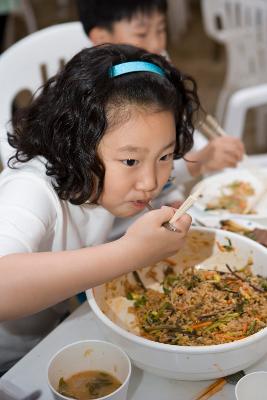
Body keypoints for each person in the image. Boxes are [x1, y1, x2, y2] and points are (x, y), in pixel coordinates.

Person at [0, 44, 197, 373]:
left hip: (65, 330)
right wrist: (132, 252)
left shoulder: (109, 184)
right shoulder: (29, 189)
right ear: (77, 144)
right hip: (15, 365)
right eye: (131, 160)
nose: (150, 181)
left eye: (164, 155)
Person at [76, 0, 245, 203]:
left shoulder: (155, 72)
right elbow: (110, 193)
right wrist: (200, 161)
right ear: (102, 38)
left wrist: (173, 197)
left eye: (161, 29)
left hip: (157, 202)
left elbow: (179, 141)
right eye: (142, 34)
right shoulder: (93, 99)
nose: (157, 44)